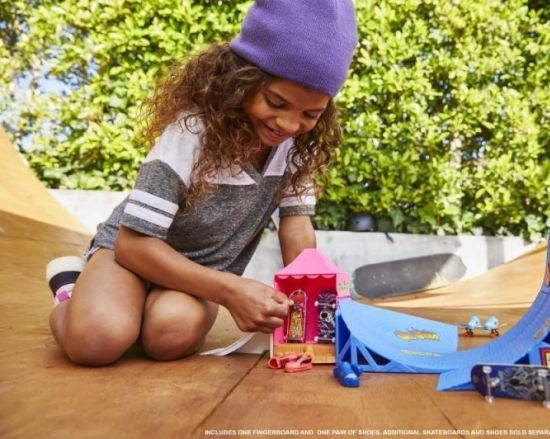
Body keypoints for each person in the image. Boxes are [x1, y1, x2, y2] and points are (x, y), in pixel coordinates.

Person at [45, 0, 358, 366]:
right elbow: (133, 246)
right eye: (276, 102)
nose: (289, 125)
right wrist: (231, 291)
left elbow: (297, 225)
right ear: (243, 80)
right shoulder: (192, 131)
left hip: (199, 276)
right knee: (97, 339)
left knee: (169, 336)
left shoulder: (295, 148)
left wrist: (313, 308)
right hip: (130, 256)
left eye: (310, 114)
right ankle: (71, 289)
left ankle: (129, 307)